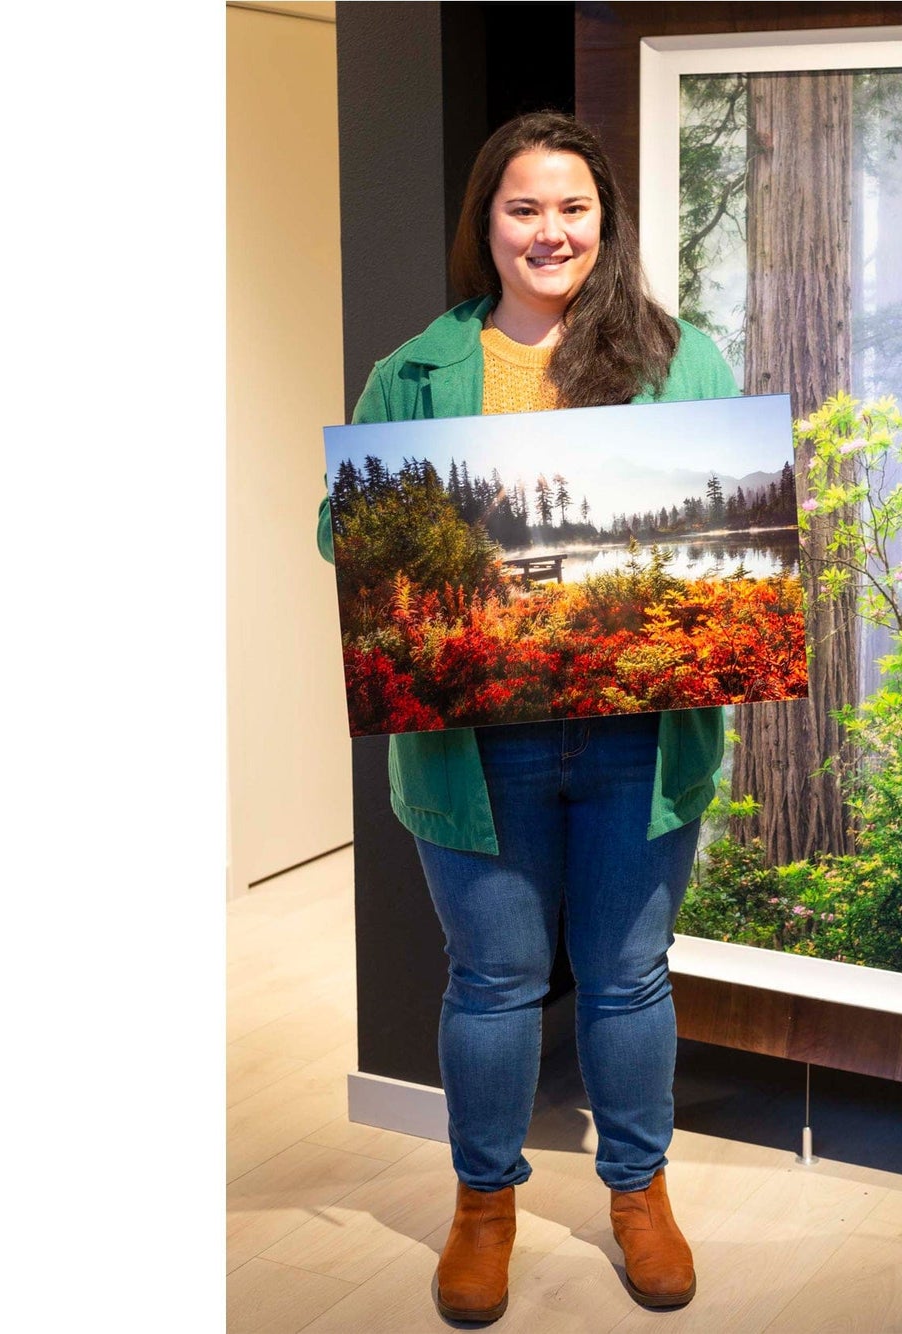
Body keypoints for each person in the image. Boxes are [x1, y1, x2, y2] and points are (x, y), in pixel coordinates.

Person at [316, 111, 737, 1322]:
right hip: (472, 740)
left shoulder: (678, 358)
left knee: (627, 976)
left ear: (603, 222)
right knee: (493, 981)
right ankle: (482, 1203)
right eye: (523, 208)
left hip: (634, 736)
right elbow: (337, 535)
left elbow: (731, 524)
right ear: (487, 224)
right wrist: (395, 525)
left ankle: (638, 1190)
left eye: (571, 208)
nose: (549, 231)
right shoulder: (412, 371)